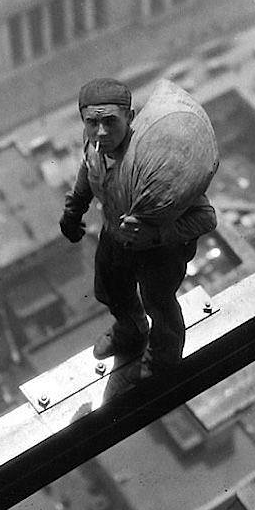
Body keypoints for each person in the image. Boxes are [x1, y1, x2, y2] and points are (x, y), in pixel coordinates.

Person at [59, 78, 217, 383]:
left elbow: (206, 218)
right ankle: (131, 331)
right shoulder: (95, 144)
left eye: (110, 122)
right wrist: (74, 208)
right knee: (110, 289)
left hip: (159, 250)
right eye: (92, 123)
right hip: (116, 234)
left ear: (130, 119)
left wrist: (156, 235)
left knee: (159, 304)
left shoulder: (154, 160)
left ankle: (163, 359)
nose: (101, 132)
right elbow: (88, 167)